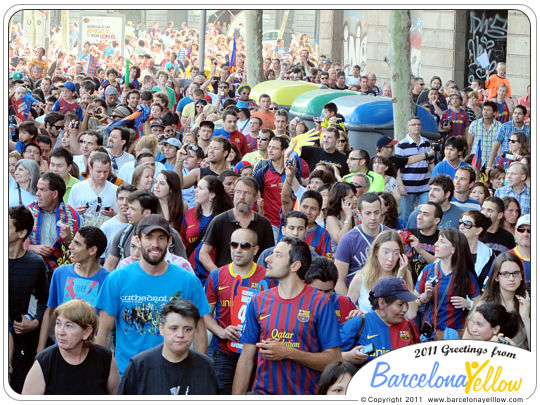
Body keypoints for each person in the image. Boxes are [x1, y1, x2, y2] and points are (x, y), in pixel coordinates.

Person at [95, 215, 211, 376]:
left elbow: (199, 332)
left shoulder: (188, 281)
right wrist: (105, 377)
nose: (155, 244)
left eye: (161, 238)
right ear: (138, 239)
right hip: (128, 375)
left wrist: (199, 375)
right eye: (149, 237)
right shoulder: (117, 278)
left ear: (169, 241)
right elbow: (104, 333)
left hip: (175, 377)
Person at [232, 237, 341, 395]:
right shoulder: (258, 301)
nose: (267, 259)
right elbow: (246, 359)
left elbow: (334, 360)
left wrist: (288, 353)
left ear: (295, 265)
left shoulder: (320, 302)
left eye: (277, 255)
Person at [205, 228, 271, 394]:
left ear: (256, 250)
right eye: (234, 245)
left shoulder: (268, 278)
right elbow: (205, 314)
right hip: (223, 352)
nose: (238, 250)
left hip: (257, 353)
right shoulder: (216, 276)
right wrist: (221, 331)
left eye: (245, 246)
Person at [117, 299, 218, 395]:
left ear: (195, 331)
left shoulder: (206, 367)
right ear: (161, 328)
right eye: (174, 328)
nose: (180, 334)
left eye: (188, 329)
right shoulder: (140, 366)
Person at [22, 300, 120, 394]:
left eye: (69, 326)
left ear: (87, 332)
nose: (60, 332)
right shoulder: (44, 362)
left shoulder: (105, 359)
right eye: (58, 323)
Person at [37, 226, 110, 353]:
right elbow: (50, 312)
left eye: (77, 243)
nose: (70, 246)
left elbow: (106, 325)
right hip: (61, 350)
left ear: (92, 250)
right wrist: (40, 350)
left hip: (91, 351)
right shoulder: (60, 273)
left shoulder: (109, 280)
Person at [8, 206, 50, 393]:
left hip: (21, 340)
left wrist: (35, 322)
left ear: (22, 233)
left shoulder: (35, 263)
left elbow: (44, 298)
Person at [414, 228, 481, 339]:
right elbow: (412, 304)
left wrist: (469, 304)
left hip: (454, 335)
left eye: (442, 241)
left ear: (453, 249)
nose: (436, 244)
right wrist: (424, 297)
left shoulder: (466, 274)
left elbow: (480, 302)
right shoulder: (428, 270)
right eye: (437, 241)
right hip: (429, 335)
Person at [199, 177, 275, 273]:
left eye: (247, 193)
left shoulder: (264, 223)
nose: (241, 197)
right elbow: (203, 253)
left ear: (256, 197)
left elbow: (269, 255)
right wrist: (218, 274)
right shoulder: (220, 220)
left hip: (253, 284)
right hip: (226, 282)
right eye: (238, 192)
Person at [340, 277, 420, 366]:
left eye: (406, 303)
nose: (405, 309)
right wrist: (347, 356)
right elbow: (330, 357)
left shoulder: (410, 325)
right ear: (381, 303)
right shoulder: (358, 323)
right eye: (400, 304)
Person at [103, 190, 187, 270]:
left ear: (147, 213)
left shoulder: (171, 234)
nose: (127, 212)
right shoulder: (123, 234)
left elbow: (183, 265)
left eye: (132, 209)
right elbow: (109, 266)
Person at [468, 252, 530, 349]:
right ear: (496, 277)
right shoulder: (483, 306)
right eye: (505, 274)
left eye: (516, 273)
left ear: (521, 275)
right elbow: (467, 345)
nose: (511, 278)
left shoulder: (528, 303)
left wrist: (526, 319)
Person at [334, 193, 390, 294]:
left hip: (385, 295)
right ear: (359, 213)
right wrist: (350, 306)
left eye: (376, 212)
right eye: (368, 213)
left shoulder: (390, 236)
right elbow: (338, 280)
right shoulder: (348, 240)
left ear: (381, 211)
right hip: (357, 297)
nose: (373, 217)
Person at [181, 176, 233, 283]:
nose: (195, 190)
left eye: (200, 188)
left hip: (215, 274)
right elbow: (183, 245)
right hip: (191, 274)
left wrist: (220, 274)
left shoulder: (225, 218)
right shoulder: (189, 215)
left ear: (212, 194)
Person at [347, 230, 414, 314]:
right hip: (369, 326)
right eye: (386, 252)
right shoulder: (361, 277)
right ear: (376, 252)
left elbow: (412, 313)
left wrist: (399, 280)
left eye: (396, 253)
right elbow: (347, 309)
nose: (390, 258)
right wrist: (358, 314)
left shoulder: (404, 275)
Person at [27, 172, 81, 271]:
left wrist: (68, 240)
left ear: (55, 194)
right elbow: (13, 242)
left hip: (61, 271)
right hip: (32, 269)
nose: (37, 193)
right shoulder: (28, 213)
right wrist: (32, 248)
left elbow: (81, 249)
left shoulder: (72, 216)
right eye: (37, 189)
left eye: (42, 190)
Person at [396, 116, 433, 222]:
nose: (417, 127)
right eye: (413, 124)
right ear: (408, 127)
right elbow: (397, 167)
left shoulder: (426, 143)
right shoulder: (402, 145)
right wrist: (401, 185)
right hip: (408, 186)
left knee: (426, 214)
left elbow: (430, 163)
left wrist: (434, 179)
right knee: (405, 217)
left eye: (419, 124)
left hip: (424, 186)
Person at [68, 151, 118, 227]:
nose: (102, 175)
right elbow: (68, 216)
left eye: (105, 172)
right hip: (82, 234)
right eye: (98, 172)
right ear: (90, 169)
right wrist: (75, 212)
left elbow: (121, 218)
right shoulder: (77, 188)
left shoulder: (115, 190)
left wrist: (114, 214)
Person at [304, 257, 357, 325]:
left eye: (327, 291)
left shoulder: (344, 303)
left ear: (334, 287)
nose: (322, 296)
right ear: (304, 284)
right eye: (317, 291)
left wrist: (360, 320)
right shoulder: (294, 304)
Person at [458, 210, 497, 288]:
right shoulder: (451, 247)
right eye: (460, 222)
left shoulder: (489, 254)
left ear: (478, 230)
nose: (461, 227)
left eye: (467, 224)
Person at [99, 184, 137, 259]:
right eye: (121, 199)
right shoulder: (106, 227)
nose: (124, 202)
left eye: (129, 199)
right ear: (116, 201)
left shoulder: (140, 225)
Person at [325, 182, 359, 248]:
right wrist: (348, 217)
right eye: (351, 197)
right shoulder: (331, 218)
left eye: (355, 195)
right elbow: (341, 240)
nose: (355, 199)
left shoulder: (354, 215)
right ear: (341, 200)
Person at [509, 214, 530, 287]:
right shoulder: (504, 258)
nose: (525, 234)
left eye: (530, 230)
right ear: (515, 231)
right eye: (521, 230)